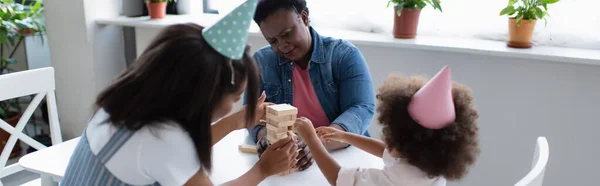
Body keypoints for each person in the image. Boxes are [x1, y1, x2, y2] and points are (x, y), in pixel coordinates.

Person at [60, 1, 299, 185]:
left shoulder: (128, 103)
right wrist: (263, 170)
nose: (233, 105)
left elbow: (181, 147)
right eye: (235, 99)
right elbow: (175, 149)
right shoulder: (162, 139)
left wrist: (237, 120)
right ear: (203, 94)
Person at [292, 66, 481, 185]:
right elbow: (388, 152)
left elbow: (337, 178)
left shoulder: (395, 179)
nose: (386, 138)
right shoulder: (429, 168)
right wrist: (343, 136)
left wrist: (310, 138)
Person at [245, 0, 376, 172]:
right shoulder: (262, 61)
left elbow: (361, 108)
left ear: (304, 18)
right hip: (289, 166)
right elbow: (250, 112)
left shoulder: (344, 55)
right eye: (273, 41)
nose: (282, 46)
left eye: (286, 34)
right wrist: (264, 137)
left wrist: (315, 143)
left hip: (344, 159)